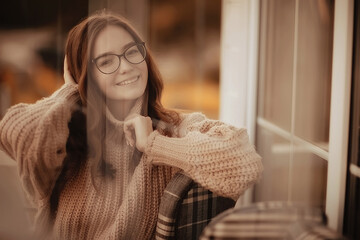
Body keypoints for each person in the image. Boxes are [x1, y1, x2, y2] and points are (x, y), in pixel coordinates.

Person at [0, 10, 263, 239]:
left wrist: (154, 145)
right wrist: (70, 91)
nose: (125, 67)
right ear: (84, 75)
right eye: (106, 61)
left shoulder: (172, 127)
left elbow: (244, 163)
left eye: (131, 52)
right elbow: (14, 131)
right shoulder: (66, 135)